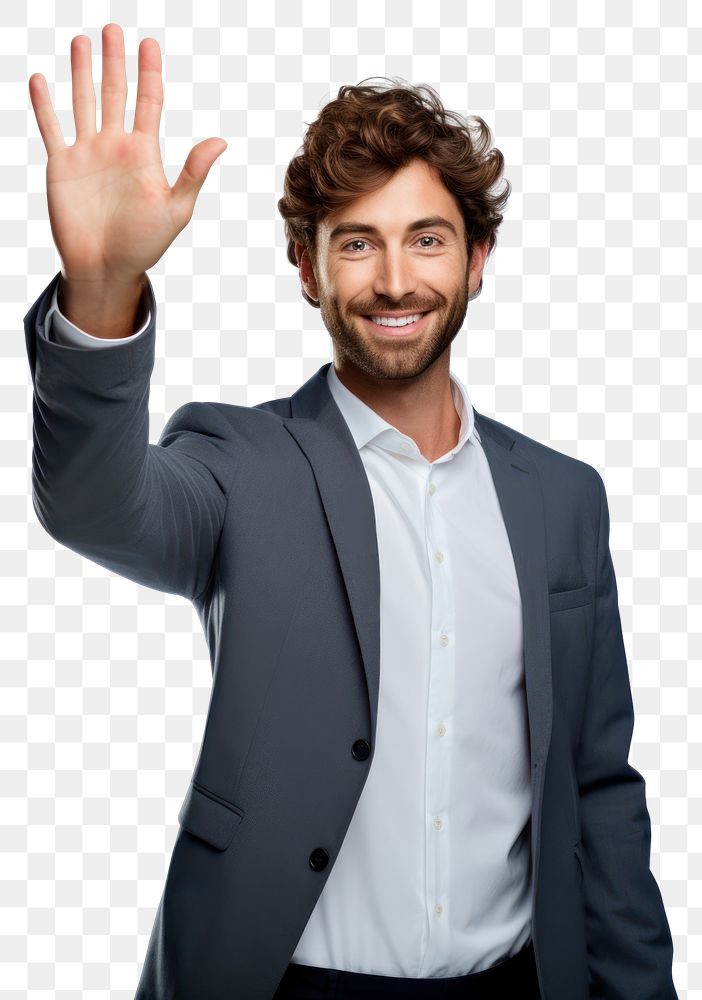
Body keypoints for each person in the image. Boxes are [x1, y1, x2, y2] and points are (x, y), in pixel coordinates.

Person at [25, 22, 677, 1000]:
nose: (396, 279)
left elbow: (596, 785)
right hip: (288, 980)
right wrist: (104, 290)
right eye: (357, 244)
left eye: (427, 238)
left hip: (519, 979)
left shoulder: (564, 498)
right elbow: (93, 505)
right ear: (306, 266)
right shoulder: (241, 462)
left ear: (478, 256)